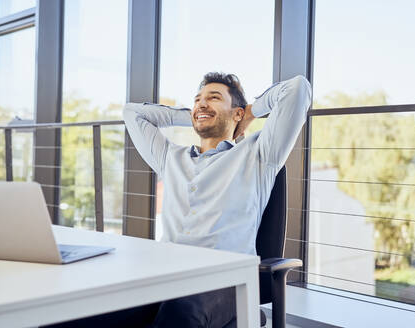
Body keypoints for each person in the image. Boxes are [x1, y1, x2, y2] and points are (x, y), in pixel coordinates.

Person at [47, 73, 311, 328]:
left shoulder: (259, 155)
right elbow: (132, 113)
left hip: (226, 281)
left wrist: (251, 109)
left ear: (238, 113)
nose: (202, 103)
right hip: (167, 274)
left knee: (181, 312)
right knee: (83, 311)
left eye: (214, 97)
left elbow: (297, 89)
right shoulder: (170, 157)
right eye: (197, 99)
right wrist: (197, 115)